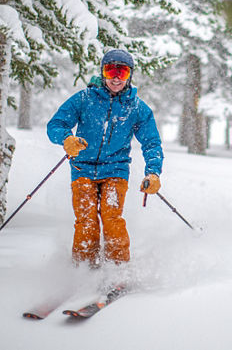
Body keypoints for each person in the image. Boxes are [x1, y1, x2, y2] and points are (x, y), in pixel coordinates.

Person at [47, 49, 164, 268]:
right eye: (111, 71)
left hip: (116, 170)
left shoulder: (137, 108)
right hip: (82, 169)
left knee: (112, 220)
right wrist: (66, 139)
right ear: (103, 73)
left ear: (130, 75)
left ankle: (118, 270)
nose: (117, 77)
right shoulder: (84, 99)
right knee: (86, 223)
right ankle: (83, 269)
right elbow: (55, 125)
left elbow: (152, 143)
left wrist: (153, 172)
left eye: (123, 71)